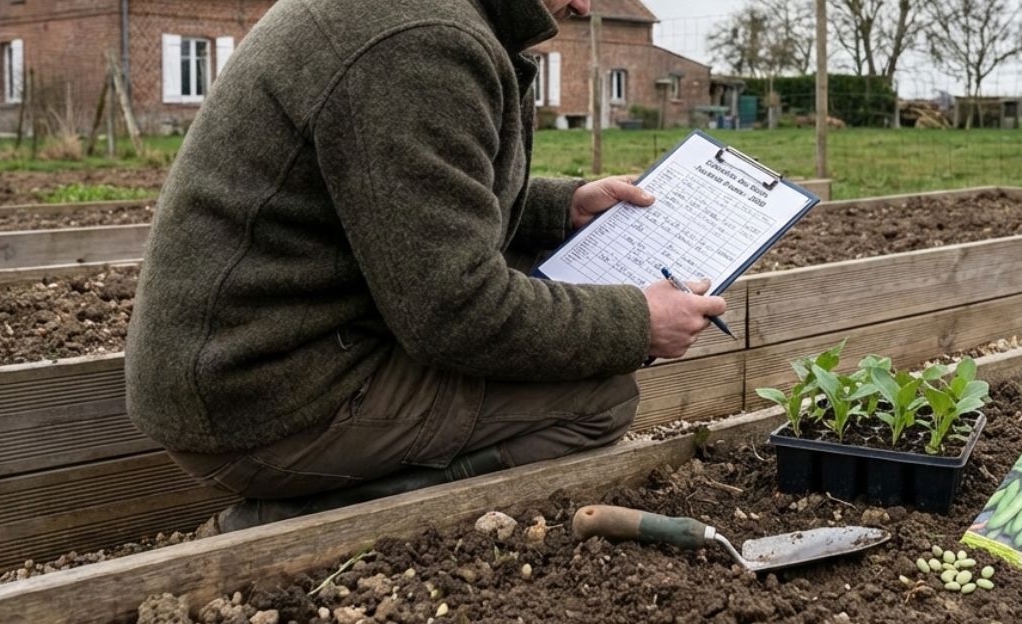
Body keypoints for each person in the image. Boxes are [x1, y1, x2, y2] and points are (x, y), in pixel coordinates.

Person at [125, 0, 726, 533]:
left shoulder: (418, 17)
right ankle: (305, 519)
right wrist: (636, 322)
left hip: (246, 356)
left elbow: (402, 198)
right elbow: (456, 311)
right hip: (264, 401)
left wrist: (561, 207)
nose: (582, 6)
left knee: (543, 273)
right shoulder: (420, 41)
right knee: (600, 401)